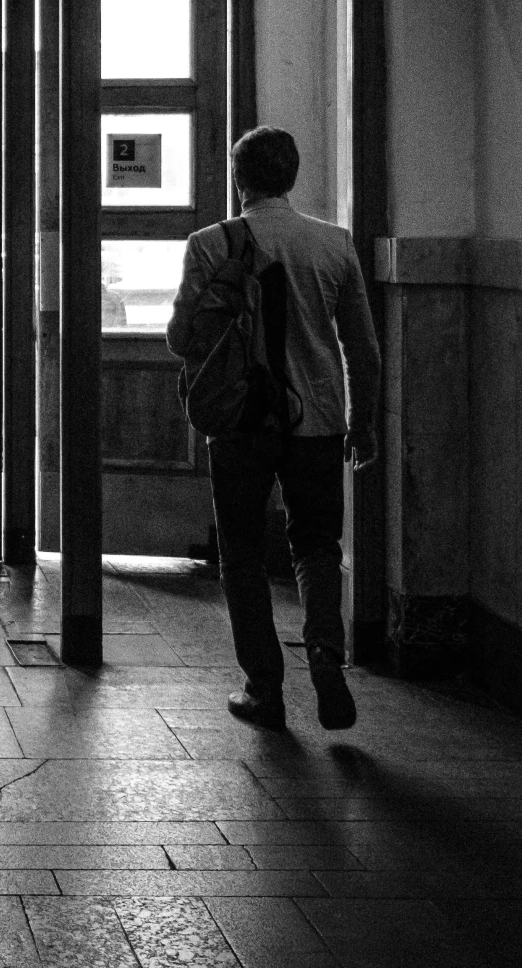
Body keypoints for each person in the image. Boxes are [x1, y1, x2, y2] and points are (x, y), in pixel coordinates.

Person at [166, 126, 380, 732]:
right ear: (291, 175)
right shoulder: (334, 244)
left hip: (241, 422)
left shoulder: (210, 244)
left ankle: (264, 687)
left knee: (241, 551)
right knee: (316, 544)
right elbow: (362, 347)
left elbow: (182, 339)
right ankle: (324, 655)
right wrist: (361, 426)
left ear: (240, 177)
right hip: (317, 419)